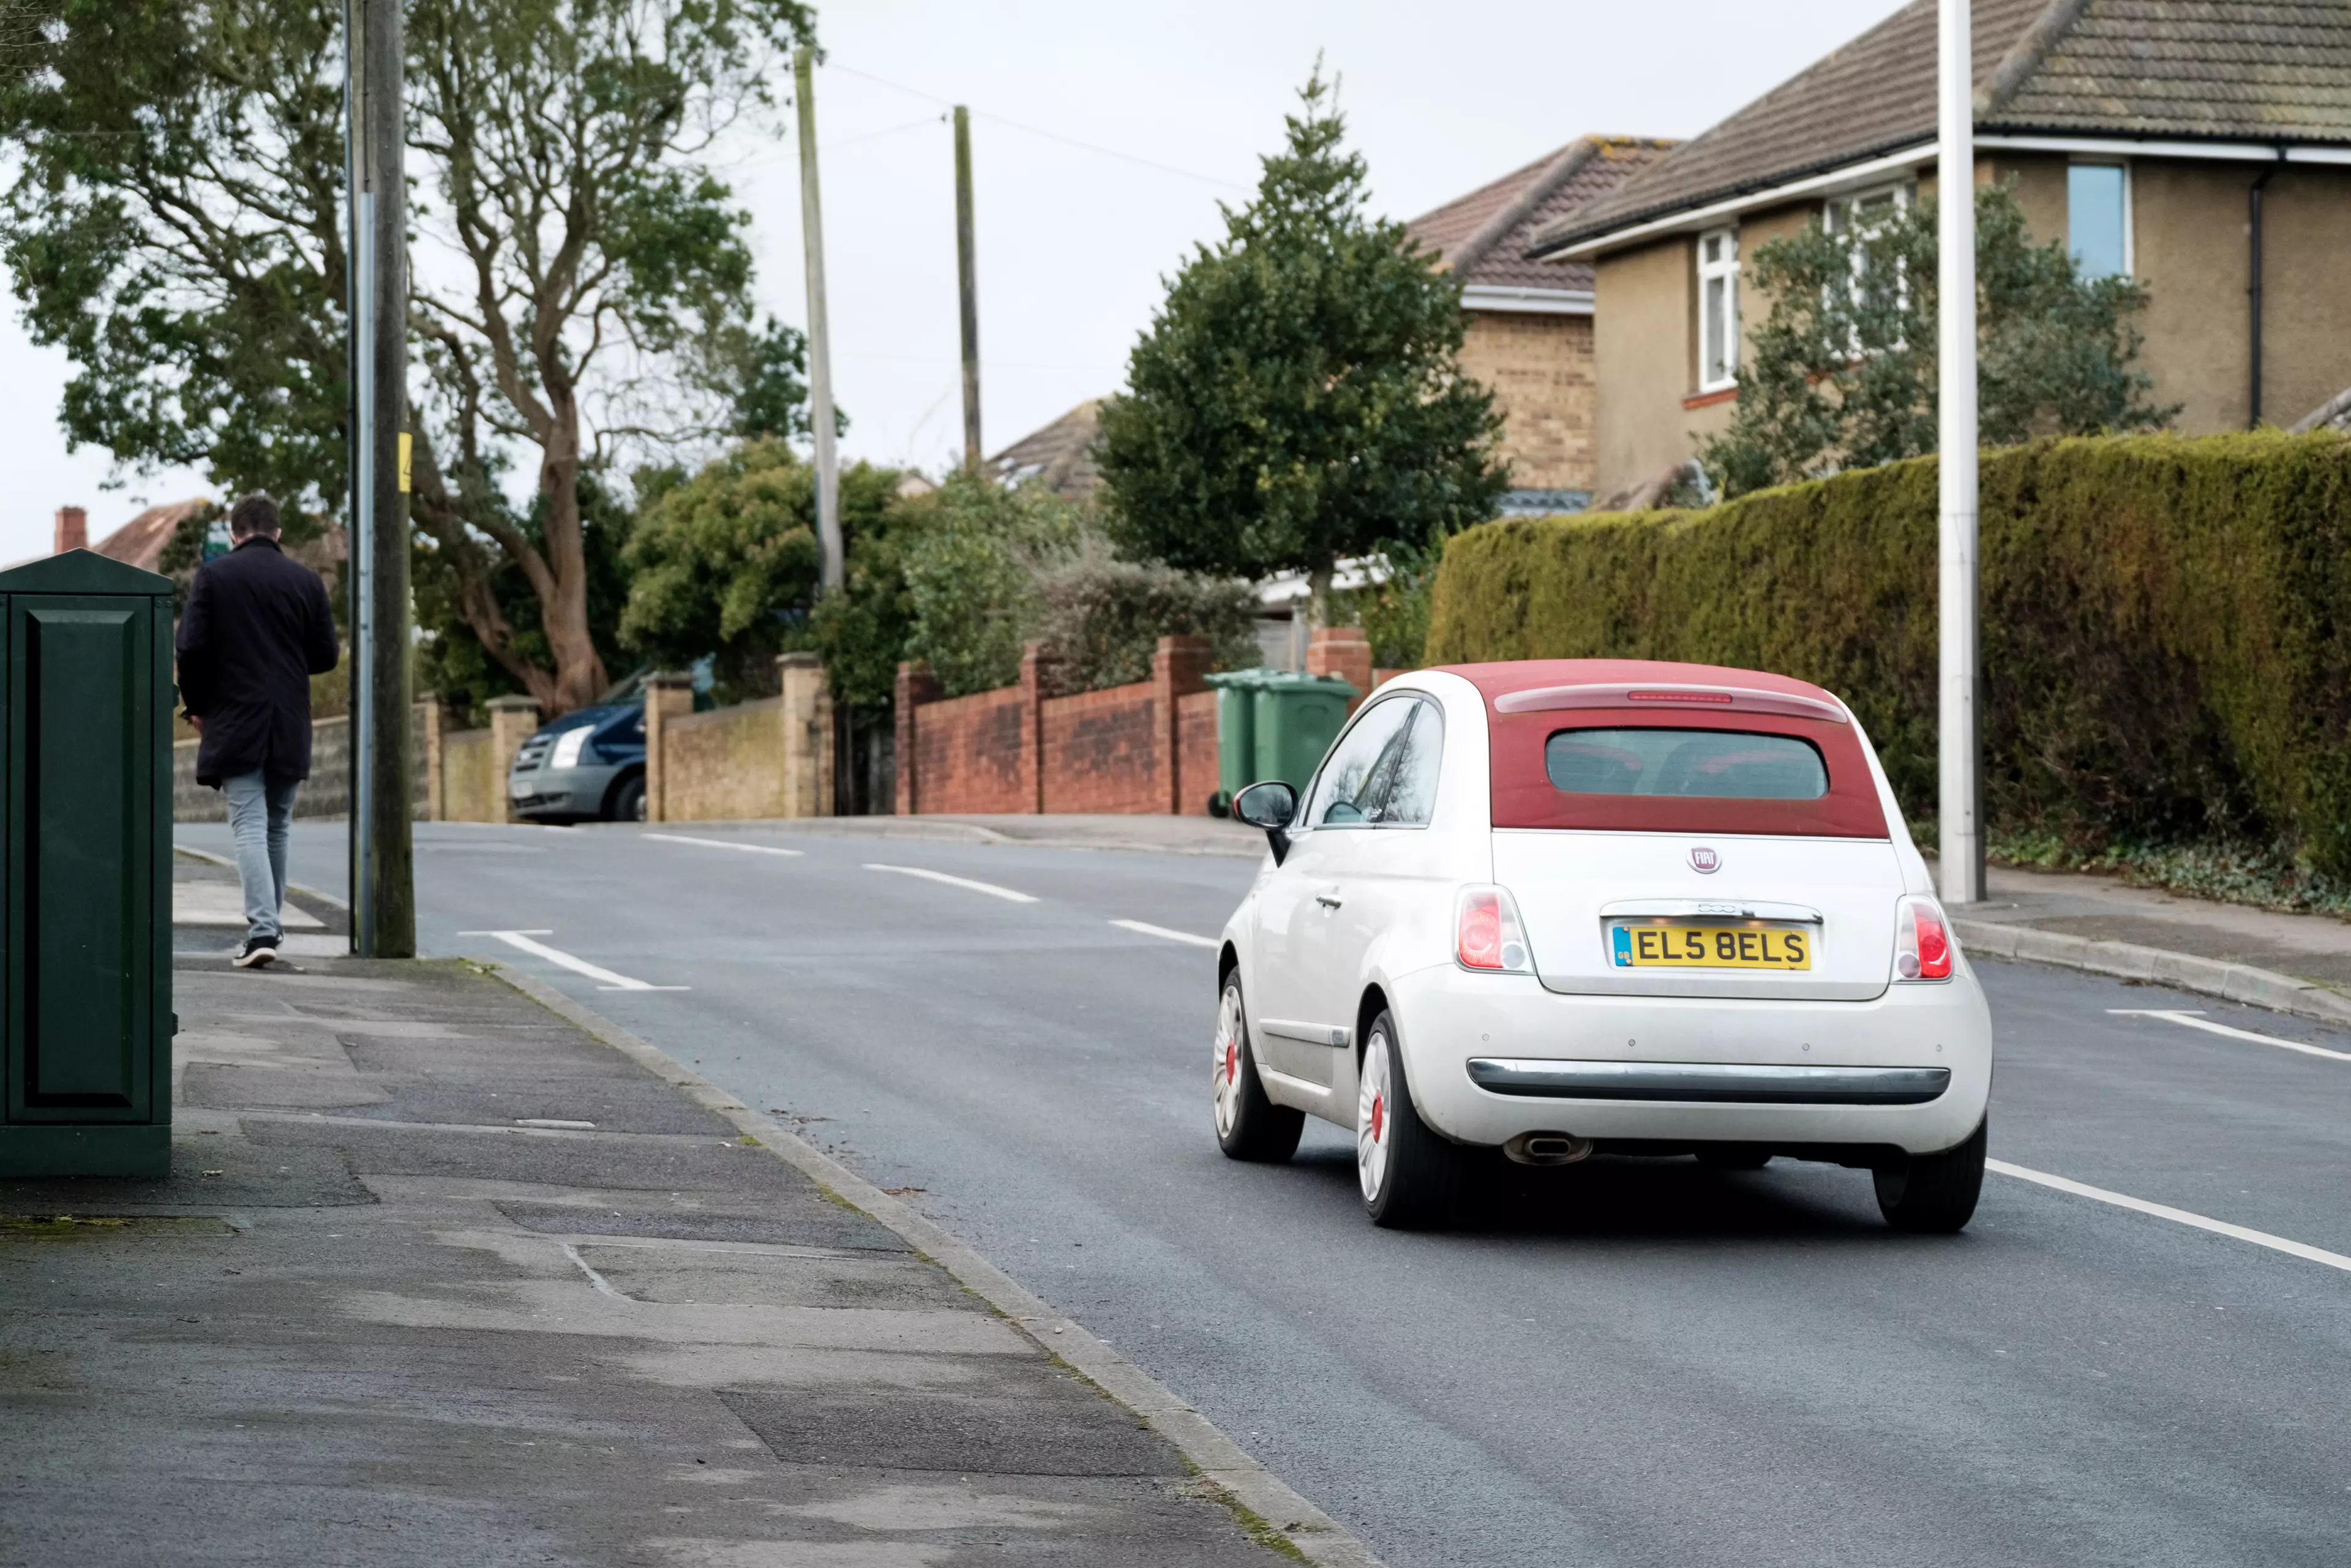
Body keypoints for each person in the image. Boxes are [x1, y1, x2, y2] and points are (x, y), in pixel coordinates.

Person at [175, 493, 340, 968]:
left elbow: (189, 648)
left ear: (234, 534)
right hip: (289, 717)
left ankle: (262, 929)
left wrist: (199, 706)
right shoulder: (306, 581)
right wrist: (284, 662)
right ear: (278, 532)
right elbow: (326, 655)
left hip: (235, 715)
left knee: (248, 821)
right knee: (277, 825)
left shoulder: (215, 576)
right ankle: (270, 927)